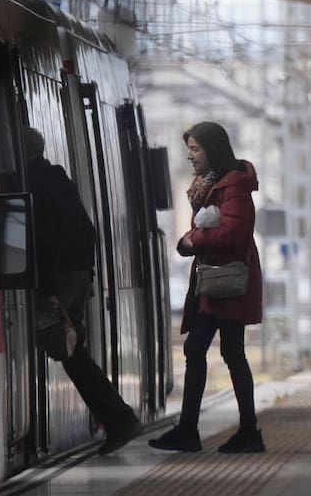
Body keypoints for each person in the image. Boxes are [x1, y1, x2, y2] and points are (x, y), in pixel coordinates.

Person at [23, 128, 143, 455]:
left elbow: (42, 241)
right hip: (77, 276)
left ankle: (120, 418)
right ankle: (118, 418)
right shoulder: (58, 179)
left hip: (58, 281)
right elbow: (86, 230)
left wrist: (47, 289)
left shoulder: (32, 184)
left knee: (68, 351)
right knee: (73, 351)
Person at [149, 121, 265, 453]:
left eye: (196, 149)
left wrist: (192, 239)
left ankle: (198, 431)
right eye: (189, 149)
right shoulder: (214, 186)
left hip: (226, 283)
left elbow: (232, 233)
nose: (190, 156)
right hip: (216, 281)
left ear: (213, 150)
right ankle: (243, 431)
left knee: (204, 349)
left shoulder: (234, 189)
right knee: (222, 352)